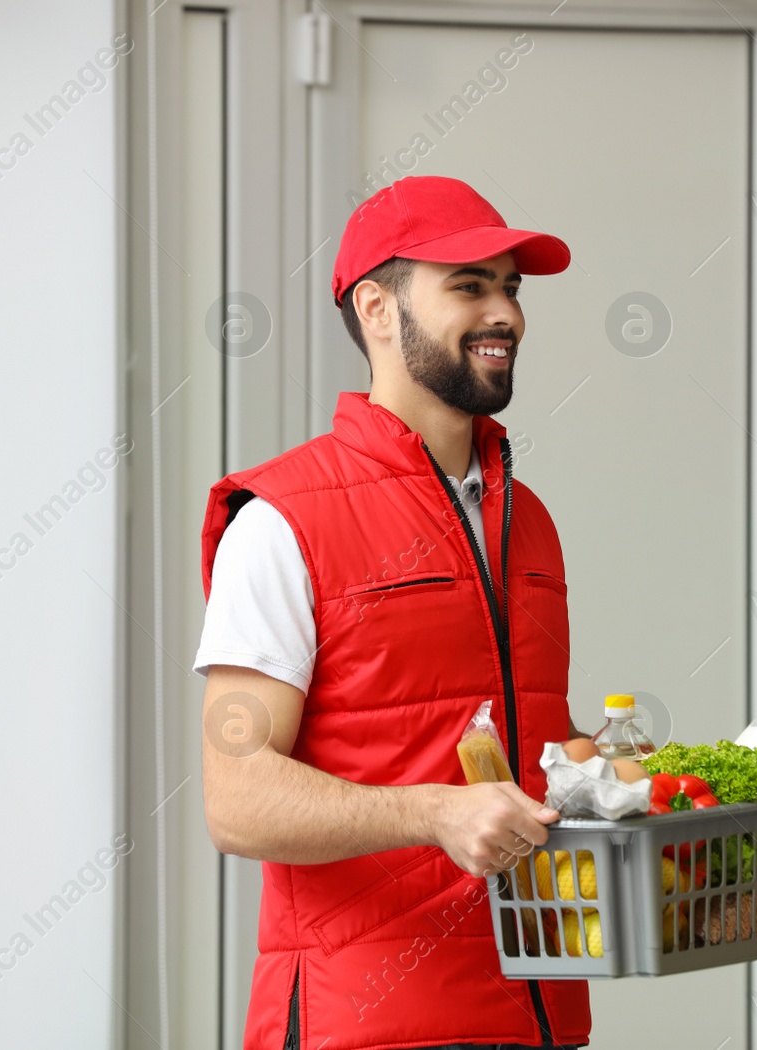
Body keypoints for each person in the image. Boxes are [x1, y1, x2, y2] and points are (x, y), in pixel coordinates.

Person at [196, 175, 590, 1050]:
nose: (506, 314)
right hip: (367, 1025)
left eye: (511, 287)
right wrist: (434, 813)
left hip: (537, 1017)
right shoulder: (282, 521)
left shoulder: (528, 521)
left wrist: (604, 783)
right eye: (469, 285)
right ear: (376, 307)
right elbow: (236, 799)